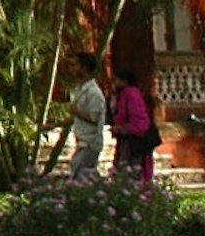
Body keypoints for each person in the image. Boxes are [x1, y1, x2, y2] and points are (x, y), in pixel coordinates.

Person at [66, 50, 110, 180]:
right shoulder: (80, 89)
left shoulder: (93, 92)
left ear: (84, 68)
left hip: (90, 143)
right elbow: (77, 118)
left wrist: (76, 111)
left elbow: (93, 118)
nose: (72, 69)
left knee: (81, 179)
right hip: (82, 141)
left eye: (75, 65)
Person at [112, 70, 158, 189]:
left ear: (124, 81)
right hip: (129, 137)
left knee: (133, 171)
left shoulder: (131, 94)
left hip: (135, 139)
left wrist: (123, 128)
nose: (114, 83)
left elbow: (139, 121)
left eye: (116, 80)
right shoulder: (125, 94)